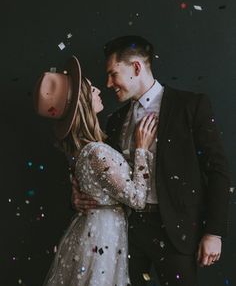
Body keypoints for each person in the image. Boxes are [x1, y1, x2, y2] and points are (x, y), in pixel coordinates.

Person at [73, 36, 230, 286]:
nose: (108, 83)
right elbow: (105, 171)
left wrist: (214, 231)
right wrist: (79, 192)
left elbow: (218, 170)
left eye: (113, 74)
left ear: (136, 67)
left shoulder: (190, 106)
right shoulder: (115, 120)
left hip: (177, 232)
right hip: (126, 232)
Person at [34, 55, 158, 286]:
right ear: (82, 103)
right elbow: (138, 199)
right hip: (102, 238)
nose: (100, 90)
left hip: (97, 232)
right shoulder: (96, 153)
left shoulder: (84, 151)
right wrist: (141, 149)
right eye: (92, 90)